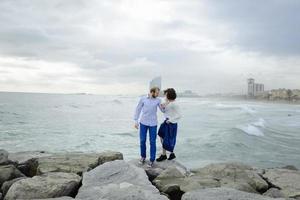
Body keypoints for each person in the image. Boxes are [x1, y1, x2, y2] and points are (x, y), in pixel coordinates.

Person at [134, 87, 164, 167]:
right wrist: (136, 121)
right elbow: (138, 109)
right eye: (157, 93)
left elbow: (163, 110)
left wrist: (166, 104)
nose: (158, 94)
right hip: (143, 123)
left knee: (152, 142)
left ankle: (152, 160)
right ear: (152, 92)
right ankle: (143, 157)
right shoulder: (143, 99)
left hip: (153, 124)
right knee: (142, 141)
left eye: (158, 93)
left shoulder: (158, 100)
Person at [156, 88, 181, 162]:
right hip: (166, 122)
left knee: (169, 139)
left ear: (169, 95)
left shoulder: (175, 104)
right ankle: (166, 154)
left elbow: (179, 115)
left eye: (166, 94)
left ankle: (168, 154)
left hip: (171, 123)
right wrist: (165, 103)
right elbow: (164, 110)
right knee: (161, 135)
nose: (165, 95)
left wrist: (170, 120)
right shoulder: (169, 102)